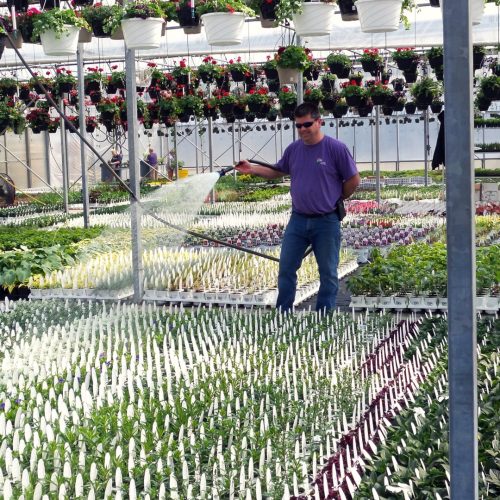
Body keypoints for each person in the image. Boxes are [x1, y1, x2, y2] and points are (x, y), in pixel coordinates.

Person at [235, 102, 360, 313]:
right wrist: (252, 170)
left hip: (326, 220)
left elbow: (353, 179)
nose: (303, 130)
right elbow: (277, 171)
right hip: (298, 220)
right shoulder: (294, 149)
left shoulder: (335, 148)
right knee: (286, 268)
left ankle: (324, 316)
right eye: (298, 126)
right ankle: (283, 313)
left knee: (328, 272)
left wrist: (339, 197)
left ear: (319, 122)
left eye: (307, 124)